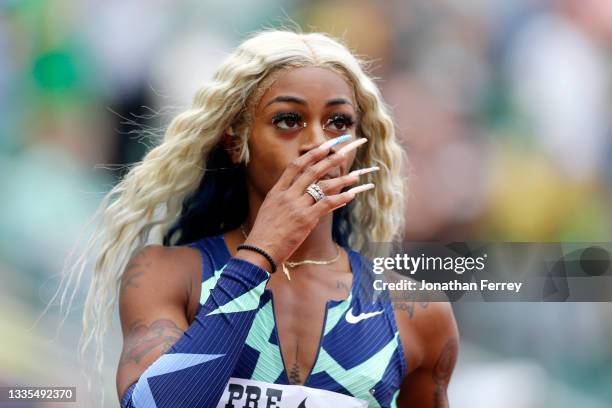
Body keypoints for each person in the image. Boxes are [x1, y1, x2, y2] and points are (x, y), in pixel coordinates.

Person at [63, 29, 458, 407]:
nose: (319, 143)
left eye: (338, 122)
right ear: (236, 142)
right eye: (288, 120)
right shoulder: (168, 275)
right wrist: (261, 252)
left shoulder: (415, 311)